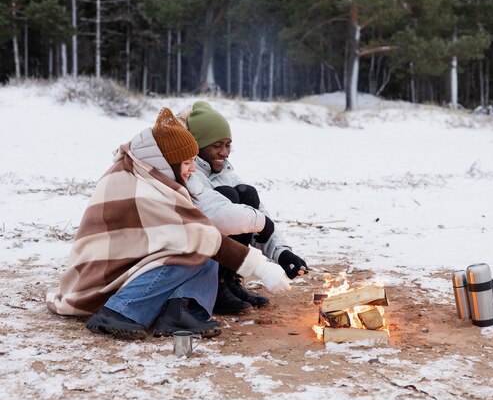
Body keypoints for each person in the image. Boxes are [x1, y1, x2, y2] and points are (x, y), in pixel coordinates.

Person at [46, 107, 291, 340]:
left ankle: (184, 312)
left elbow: (201, 231)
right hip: (98, 278)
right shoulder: (138, 185)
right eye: (187, 163)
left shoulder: (146, 172)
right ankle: (122, 311)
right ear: (169, 162)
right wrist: (259, 266)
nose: (193, 169)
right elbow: (198, 236)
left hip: (125, 266)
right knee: (198, 247)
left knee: (203, 249)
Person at [177, 101, 308, 314]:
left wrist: (282, 253)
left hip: (220, 249)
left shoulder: (227, 173)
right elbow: (221, 215)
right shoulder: (189, 174)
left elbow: (257, 216)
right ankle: (215, 287)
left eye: (228, 145)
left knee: (246, 193)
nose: (224, 152)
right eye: (216, 145)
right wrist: (260, 224)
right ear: (199, 147)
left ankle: (230, 281)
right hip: (191, 255)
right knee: (228, 196)